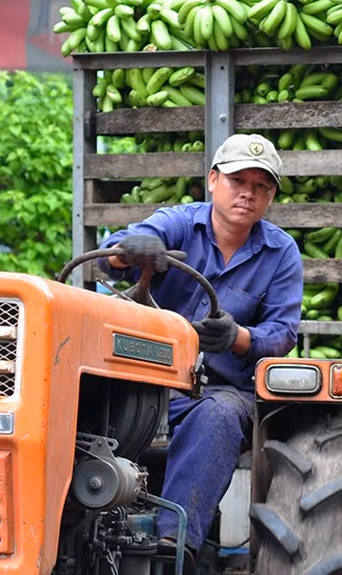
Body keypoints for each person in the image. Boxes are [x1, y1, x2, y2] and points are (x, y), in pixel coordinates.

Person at [94, 132, 303, 563]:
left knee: (217, 414)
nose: (247, 193)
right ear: (213, 180)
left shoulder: (282, 253)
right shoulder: (177, 223)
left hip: (223, 393)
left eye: (261, 186)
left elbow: (283, 332)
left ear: (271, 197)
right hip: (147, 385)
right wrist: (128, 252)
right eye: (237, 181)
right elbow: (113, 253)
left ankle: (172, 549)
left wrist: (238, 337)